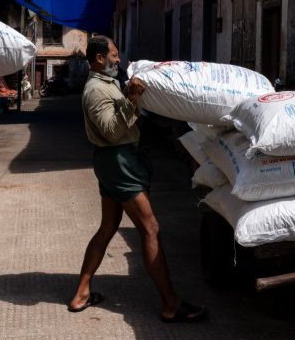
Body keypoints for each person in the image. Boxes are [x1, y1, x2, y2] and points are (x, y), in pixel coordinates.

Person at [69, 36, 206, 323]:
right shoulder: (95, 90)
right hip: (118, 163)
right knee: (150, 229)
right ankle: (170, 304)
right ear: (99, 59)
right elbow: (111, 131)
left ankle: (81, 293)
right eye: (114, 56)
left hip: (118, 162)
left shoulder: (108, 84)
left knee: (108, 227)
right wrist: (131, 100)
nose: (118, 60)